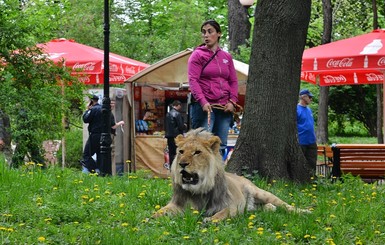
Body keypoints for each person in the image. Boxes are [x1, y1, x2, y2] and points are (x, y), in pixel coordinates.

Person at [188, 19, 238, 156]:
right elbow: (193, 81)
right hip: (205, 107)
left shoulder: (226, 57)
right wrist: (203, 102)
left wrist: (232, 101)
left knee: (220, 145)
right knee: (201, 145)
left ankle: (217, 176)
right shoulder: (197, 55)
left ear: (219, 34)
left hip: (224, 108)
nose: (206, 35)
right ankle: (200, 176)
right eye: (203, 32)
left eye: (210, 31)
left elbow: (233, 81)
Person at [297, 89, 317, 172]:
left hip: (311, 141)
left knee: (312, 162)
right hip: (301, 141)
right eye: (309, 97)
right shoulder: (296, 109)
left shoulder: (309, 110)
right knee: (301, 163)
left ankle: (312, 179)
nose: (311, 99)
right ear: (303, 97)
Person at [165, 100, 186, 168]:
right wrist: (184, 126)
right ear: (178, 105)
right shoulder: (177, 114)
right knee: (177, 152)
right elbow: (180, 126)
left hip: (169, 136)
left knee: (171, 153)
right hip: (176, 136)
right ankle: (176, 168)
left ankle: (171, 167)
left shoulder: (168, 114)